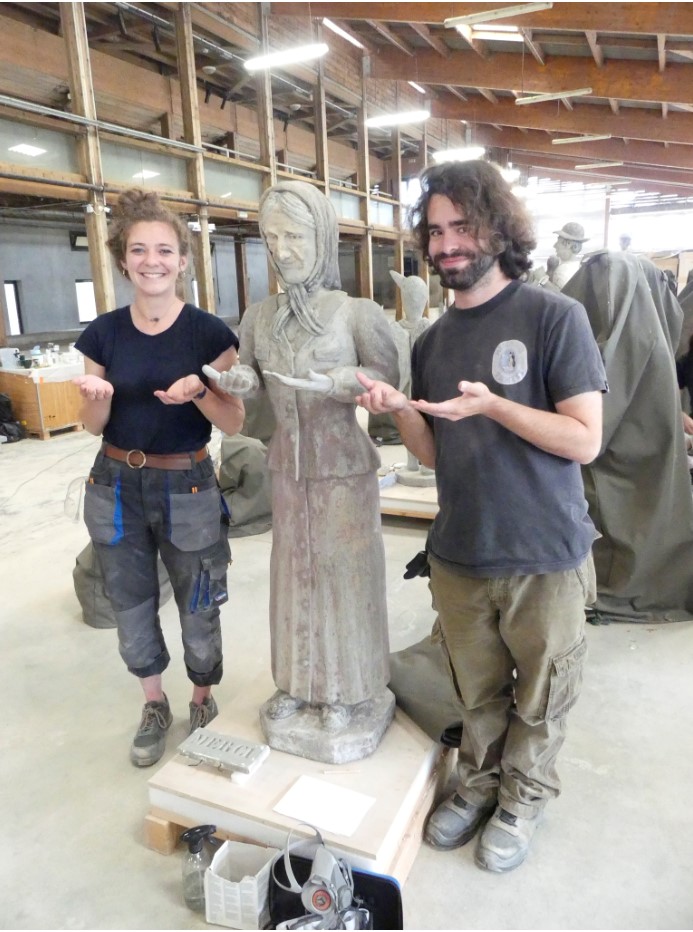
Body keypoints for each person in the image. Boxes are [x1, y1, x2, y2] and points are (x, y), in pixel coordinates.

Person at [355, 160, 607, 873]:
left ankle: (522, 799)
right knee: (478, 689)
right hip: (461, 553)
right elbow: (435, 455)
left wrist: (494, 404)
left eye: (460, 226)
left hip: (543, 555)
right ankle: (475, 786)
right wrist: (400, 408)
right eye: (434, 232)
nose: (445, 245)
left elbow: (583, 438)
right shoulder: (431, 342)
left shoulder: (553, 316)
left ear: (497, 227)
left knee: (541, 695)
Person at [207, 180, 399, 760]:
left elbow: (390, 380)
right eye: (272, 237)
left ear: (322, 235)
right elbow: (250, 381)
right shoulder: (260, 317)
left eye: (294, 235)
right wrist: (238, 382)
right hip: (287, 469)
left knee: (343, 576)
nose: (282, 249)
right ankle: (297, 684)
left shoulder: (355, 312)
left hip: (343, 469)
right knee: (294, 576)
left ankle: (346, 690)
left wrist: (339, 383)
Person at [73, 189, 244, 767]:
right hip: (115, 480)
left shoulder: (209, 335)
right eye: (140, 250)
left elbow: (235, 419)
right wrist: (96, 397)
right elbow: (94, 423)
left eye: (165, 250)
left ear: (182, 260)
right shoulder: (103, 333)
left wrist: (201, 392)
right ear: (123, 259)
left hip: (187, 483)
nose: (153, 261)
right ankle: (153, 704)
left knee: (199, 600)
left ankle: (201, 696)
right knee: (130, 600)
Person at [552, 221, 589, 289]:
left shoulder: (562, 271)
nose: (554, 245)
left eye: (558, 241)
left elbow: (558, 298)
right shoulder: (579, 266)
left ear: (568, 244)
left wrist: (543, 280)